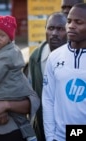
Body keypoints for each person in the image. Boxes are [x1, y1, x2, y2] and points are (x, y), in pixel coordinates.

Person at [42, 3, 86, 141]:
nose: (71, 26)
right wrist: (50, 137)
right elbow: (48, 100)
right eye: (69, 21)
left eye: (78, 22)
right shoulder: (54, 57)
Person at [28, 12, 67, 141]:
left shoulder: (79, 58)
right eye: (50, 28)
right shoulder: (36, 57)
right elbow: (31, 93)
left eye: (61, 29)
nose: (54, 33)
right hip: (43, 128)